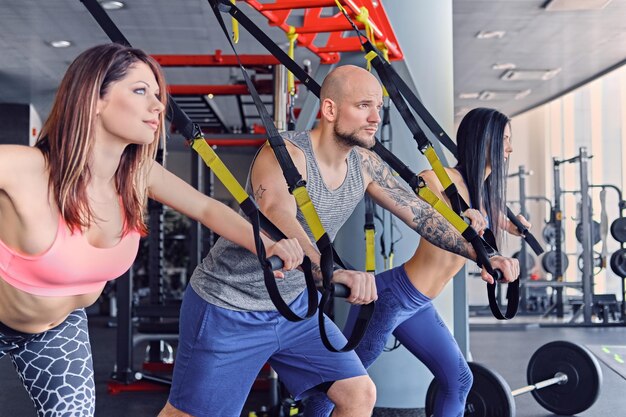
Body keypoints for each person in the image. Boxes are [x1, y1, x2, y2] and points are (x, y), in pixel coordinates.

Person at [159, 67, 519, 417]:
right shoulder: (286, 153)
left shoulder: (365, 164)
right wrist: (329, 270)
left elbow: (421, 216)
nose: (375, 117)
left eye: (378, 107)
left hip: (295, 306)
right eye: (364, 106)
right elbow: (279, 215)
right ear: (329, 109)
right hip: (229, 306)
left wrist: (482, 254)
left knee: (357, 394)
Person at [0, 43, 304, 417]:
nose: (158, 106)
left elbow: (207, 209)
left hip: (57, 330)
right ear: (94, 98)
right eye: (140, 91)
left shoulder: (138, 176)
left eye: (159, 95)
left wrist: (266, 246)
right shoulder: (22, 168)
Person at [303, 107, 530, 417]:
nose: (510, 148)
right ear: (484, 140)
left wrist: (520, 226)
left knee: (459, 379)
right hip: (391, 298)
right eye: (504, 139)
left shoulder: (485, 192)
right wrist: (460, 217)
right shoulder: (443, 179)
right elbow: (426, 199)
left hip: (419, 305)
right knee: (342, 384)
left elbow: (504, 221)